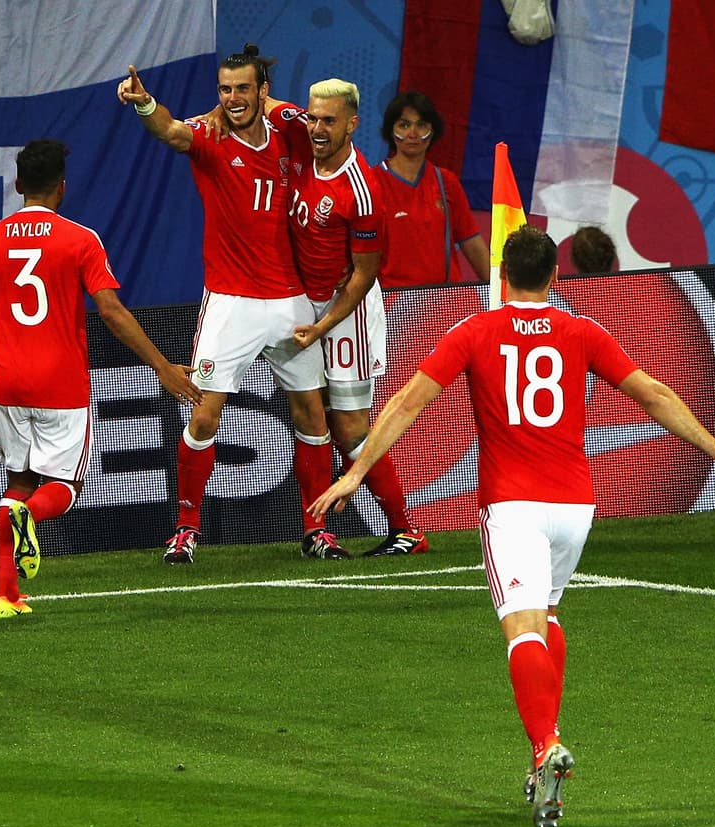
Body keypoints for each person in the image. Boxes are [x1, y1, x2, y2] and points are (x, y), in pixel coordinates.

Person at [309, 225, 715, 827]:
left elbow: (407, 403)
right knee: (547, 616)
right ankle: (543, 755)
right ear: (555, 276)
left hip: (513, 506)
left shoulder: (474, 330)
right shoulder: (583, 330)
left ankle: (545, 744)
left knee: (521, 630)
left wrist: (354, 473)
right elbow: (653, 394)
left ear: (502, 274)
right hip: (576, 507)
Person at [0, 139, 201, 618]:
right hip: (59, 383)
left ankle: (5, 595)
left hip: (5, 382)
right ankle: (30, 518)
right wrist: (162, 366)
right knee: (64, 488)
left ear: (18, 184)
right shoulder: (80, 240)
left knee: (18, 483)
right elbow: (111, 312)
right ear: (62, 188)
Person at [117, 48, 352, 563]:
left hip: (290, 299)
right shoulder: (210, 136)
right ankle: (186, 529)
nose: (232, 98)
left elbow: (324, 131)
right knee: (204, 417)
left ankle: (317, 530)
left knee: (312, 415)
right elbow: (170, 131)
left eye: (243, 88)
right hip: (231, 302)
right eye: (224, 90)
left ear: (261, 91)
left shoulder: (290, 131)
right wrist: (144, 103)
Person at [286, 79, 428, 557]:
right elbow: (267, 106)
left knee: (349, 426)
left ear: (352, 124)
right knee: (308, 414)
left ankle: (405, 529)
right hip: (304, 306)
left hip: (347, 312)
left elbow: (365, 275)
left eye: (329, 121)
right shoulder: (300, 151)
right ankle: (316, 532)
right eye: (313, 117)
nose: (317, 128)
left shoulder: (361, 188)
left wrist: (323, 326)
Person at [377, 92, 490, 288]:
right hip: (392, 299)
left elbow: (472, 244)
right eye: (404, 125)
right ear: (391, 130)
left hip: (444, 299)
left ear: (432, 131)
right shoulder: (372, 183)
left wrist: (504, 297)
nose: (413, 134)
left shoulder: (447, 182)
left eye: (421, 125)